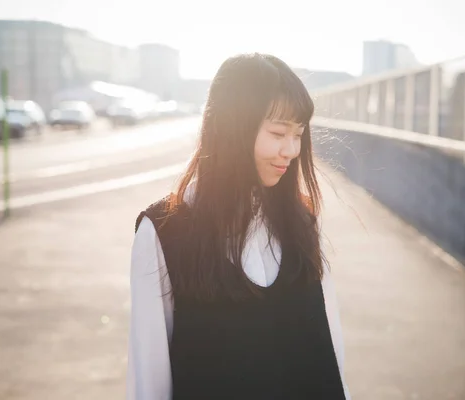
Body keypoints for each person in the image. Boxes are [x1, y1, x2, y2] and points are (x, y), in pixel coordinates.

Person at [127, 53, 350, 400]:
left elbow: (329, 350)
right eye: (278, 132)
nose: (291, 150)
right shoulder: (163, 234)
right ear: (232, 128)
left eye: (299, 134)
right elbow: (149, 381)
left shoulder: (303, 221)